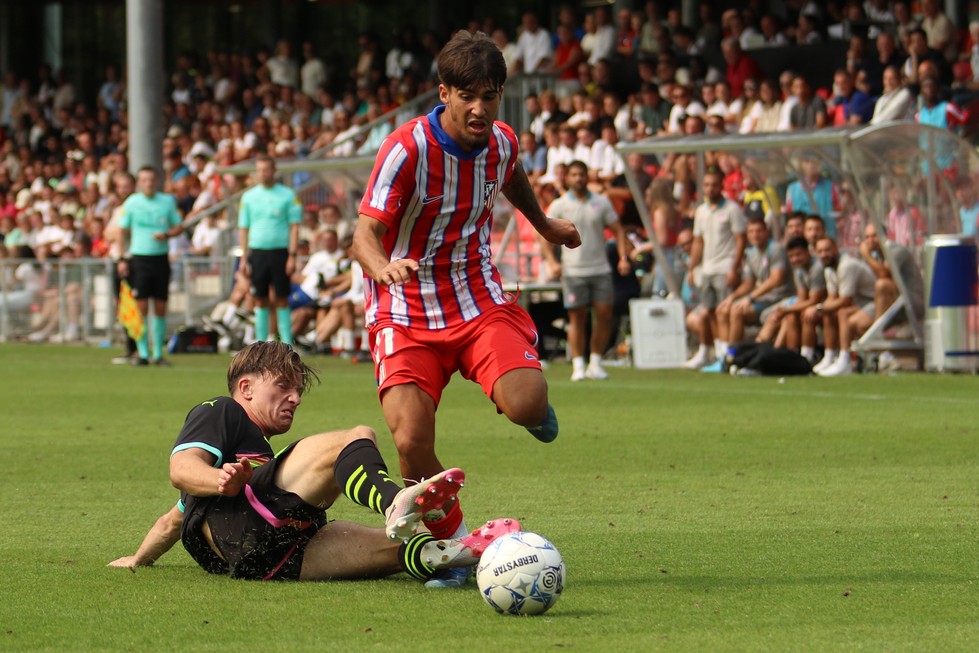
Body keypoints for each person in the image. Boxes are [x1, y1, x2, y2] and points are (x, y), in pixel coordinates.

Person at [350, 30, 581, 588]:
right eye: (468, 95)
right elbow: (363, 234)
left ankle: (526, 404)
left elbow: (512, 173)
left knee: (527, 405)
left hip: (476, 295)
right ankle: (454, 546)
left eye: (491, 95)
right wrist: (382, 267)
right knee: (409, 441)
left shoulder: (501, 141)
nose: (480, 109)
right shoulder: (407, 148)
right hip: (404, 307)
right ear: (444, 92)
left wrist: (542, 222)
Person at [107, 341, 518, 581]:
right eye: (283, 386)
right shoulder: (222, 410)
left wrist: (140, 559)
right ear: (245, 387)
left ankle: (456, 553)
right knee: (357, 437)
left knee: (396, 545)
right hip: (246, 525)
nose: (295, 398)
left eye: (298, 390)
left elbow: (174, 519)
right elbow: (181, 469)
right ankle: (396, 500)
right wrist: (220, 481)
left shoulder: (256, 453)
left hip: (271, 562)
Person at [540, 160, 631, 381]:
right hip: (573, 271)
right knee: (576, 317)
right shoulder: (559, 205)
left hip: (600, 269)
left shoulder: (601, 202)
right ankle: (579, 364)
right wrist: (552, 261)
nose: (578, 178)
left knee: (603, 315)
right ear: (567, 178)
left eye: (582, 174)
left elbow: (618, 230)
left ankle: (596, 363)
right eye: (574, 175)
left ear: (587, 176)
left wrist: (623, 257)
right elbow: (543, 234)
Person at [119, 166, 189, 366]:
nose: (148, 183)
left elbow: (178, 226)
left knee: (160, 306)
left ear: (156, 181)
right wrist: (122, 258)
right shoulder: (132, 202)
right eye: (144, 180)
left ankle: (158, 353)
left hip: (160, 258)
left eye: (151, 179)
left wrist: (166, 234)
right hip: (140, 258)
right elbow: (122, 231)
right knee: (140, 306)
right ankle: (142, 352)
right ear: (139, 182)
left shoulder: (166, 201)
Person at [683, 167, 747, 369]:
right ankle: (714, 351)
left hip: (724, 266)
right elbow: (698, 242)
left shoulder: (732, 209)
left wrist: (734, 268)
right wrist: (692, 268)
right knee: (708, 311)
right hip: (707, 268)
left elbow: (740, 240)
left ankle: (727, 352)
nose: (710, 189)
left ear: (721, 186)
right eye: (707, 185)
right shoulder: (701, 211)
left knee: (724, 311)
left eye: (714, 185)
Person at [238, 154, 302, 346]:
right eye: (259, 170)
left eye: (266, 169)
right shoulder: (248, 197)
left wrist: (292, 255)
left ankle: (287, 344)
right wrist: (243, 257)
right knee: (260, 298)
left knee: (282, 297)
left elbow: (295, 227)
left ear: (274, 171)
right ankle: (260, 343)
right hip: (257, 252)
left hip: (280, 252)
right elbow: (243, 227)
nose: (263, 174)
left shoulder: (288, 195)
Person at [714, 215, 794, 350]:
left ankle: (733, 354)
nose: (755, 235)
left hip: (780, 298)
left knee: (736, 311)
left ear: (766, 232)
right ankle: (722, 354)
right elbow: (748, 283)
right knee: (723, 309)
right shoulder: (751, 253)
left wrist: (750, 298)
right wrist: (731, 297)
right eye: (751, 231)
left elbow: (775, 280)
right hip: (762, 299)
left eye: (758, 231)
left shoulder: (775, 249)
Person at [806, 236, 878, 376]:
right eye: (820, 251)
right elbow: (832, 298)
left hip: (871, 303)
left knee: (842, 313)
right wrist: (819, 309)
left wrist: (817, 308)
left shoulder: (847, 265)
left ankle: (844, 359)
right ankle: (829, 356)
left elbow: (845, 300)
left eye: (827, 250)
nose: (824, 254)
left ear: (835, 249)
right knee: (827, 312)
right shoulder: (828, 269)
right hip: (858, 305)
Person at [755, 235, 827, 361]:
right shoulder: (799, 270)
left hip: (823, 307)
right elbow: (802, 297)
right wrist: (786, 311)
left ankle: (804, 357)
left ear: (807, 252)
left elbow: (815, 300)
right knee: (787, 316)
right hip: (811, 305)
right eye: (792, 256)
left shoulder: (816, 268)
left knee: (799, 314)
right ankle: (769, 354)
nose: (795, 259)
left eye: (798, 255)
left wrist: (786, 310)